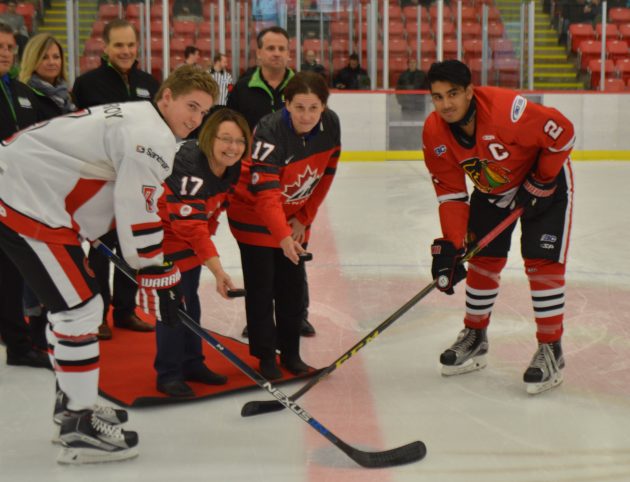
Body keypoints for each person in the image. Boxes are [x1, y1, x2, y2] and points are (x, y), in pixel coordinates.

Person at [0, 65, 216, 464]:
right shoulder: (150, 135)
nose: (196, 119)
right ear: (165, 96)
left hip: (31, 195)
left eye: (203, 112)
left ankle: (72, 406)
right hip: (28, 202)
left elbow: (107, 185)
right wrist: (156, 271)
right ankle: (78, 426)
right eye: (190, 106)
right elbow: (138, 207)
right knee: (80, 310)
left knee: (76, 308)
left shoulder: (139, 118)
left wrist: (135, 256)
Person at [421, 60, 575, 395]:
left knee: (541, 262)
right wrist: (452, 245)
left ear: (470, 91)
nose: (445, 104)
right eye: (437, 97)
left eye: (453, 94)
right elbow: (451, 194)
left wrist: (542, 179)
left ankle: (552, 349)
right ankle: (475, 336)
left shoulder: (509, 111)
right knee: (481, 259)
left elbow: (563, 132)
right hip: (493, 189)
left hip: (545, 183)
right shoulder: (434, 132)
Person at [227, 71, 341, 380]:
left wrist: (303, 220)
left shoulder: (331, 125)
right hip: (252, 215)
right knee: (262, 289)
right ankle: (265, 357)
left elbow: (325, 174)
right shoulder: (270, 129)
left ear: (324, 108)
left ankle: (291, 354)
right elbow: (265, 195)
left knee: (291, 290)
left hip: (292, 220)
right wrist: (282, 236)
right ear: (286, 104)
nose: (306, 115)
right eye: (299, 107)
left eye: (313, 108)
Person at [73, 18, 161, 340]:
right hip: (100, 180)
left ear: (137, 47)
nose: (126, 51)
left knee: (129, 247)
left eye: (130, 45)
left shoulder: (149, 84)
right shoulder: (87, 84)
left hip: (137, 180)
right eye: (119, 45)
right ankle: (99, 315)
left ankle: (125, 311)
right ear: (106, 48)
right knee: (100, 251)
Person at [227, 26, 315, 338]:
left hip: (294, 185)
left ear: (290, 52)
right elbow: (231, 130)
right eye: (271, 48)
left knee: (294, 253)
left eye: (282, 48)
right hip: (254, 185)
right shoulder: (241, 89)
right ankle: (259, 320)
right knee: (258, 260)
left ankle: (297, 315)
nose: (277, 53)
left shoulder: (304, 87)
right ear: (259, 53)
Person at [155, 108, 249, 397]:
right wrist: (219, 271)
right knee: (172, 305)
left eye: (239, 141)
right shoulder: (189, 165)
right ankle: (168, 374)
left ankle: (192, 363)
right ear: (210, 138)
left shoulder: (230, 168)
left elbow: (209, 215)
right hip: (161, 237)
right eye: (225, 139)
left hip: (188, 239)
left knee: (190, 301)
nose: (232, 147)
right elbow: (191, 226)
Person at [18, 33, 76, 349]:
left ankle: (55, 317)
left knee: (56, 257)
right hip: (36, 189)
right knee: (35, 260)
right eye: (45, 57)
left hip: (63, 189)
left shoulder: (66, 96)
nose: (52, 62)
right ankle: (35, 323)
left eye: (56, 56)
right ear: (33, 61)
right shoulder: (27, 94)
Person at [0, 23, 50, 369]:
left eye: (8, 47)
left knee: (11, 273)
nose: (4, 52)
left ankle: (19, 346)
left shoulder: (22, 92)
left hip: (17, 200)